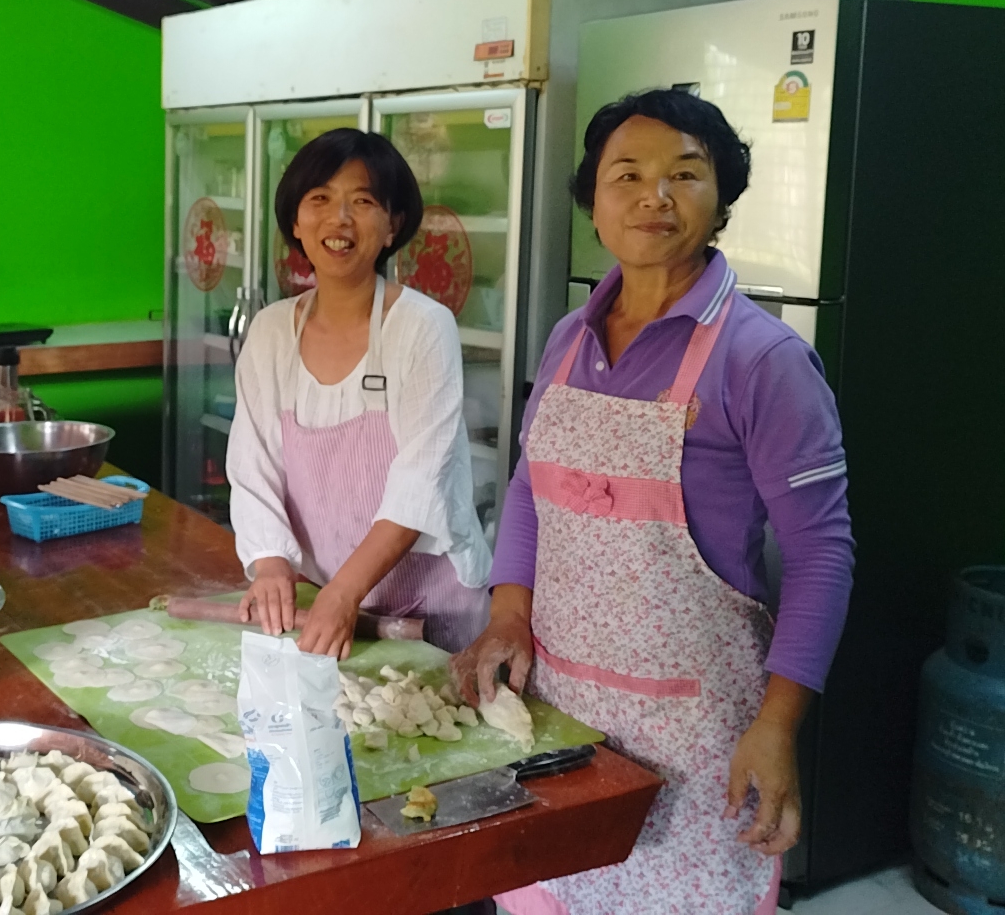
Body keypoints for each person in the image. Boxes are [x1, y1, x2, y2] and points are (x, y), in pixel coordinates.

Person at [454, 90, 854, 915]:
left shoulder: (763, 360)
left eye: (685, 174)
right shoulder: (569, 339)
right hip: (560, 714)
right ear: (594, 203)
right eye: (627, 175)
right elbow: (530, 489)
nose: (655, 197)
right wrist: (508, 614)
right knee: (547, 893)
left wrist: (778, 726)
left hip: (697, 736)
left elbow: (822, 555)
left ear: (722, 195)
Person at [228, 129, 493, 657]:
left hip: (430, 603)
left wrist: (346, 591)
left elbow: (421, 480)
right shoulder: (271, 331)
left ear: (393, 225)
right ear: (296, 222)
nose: (340, 218)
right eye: (320, 198)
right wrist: (271, 563)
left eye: (364, 201)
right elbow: (252, 466)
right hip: (324, 596)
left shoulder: (422, 326)